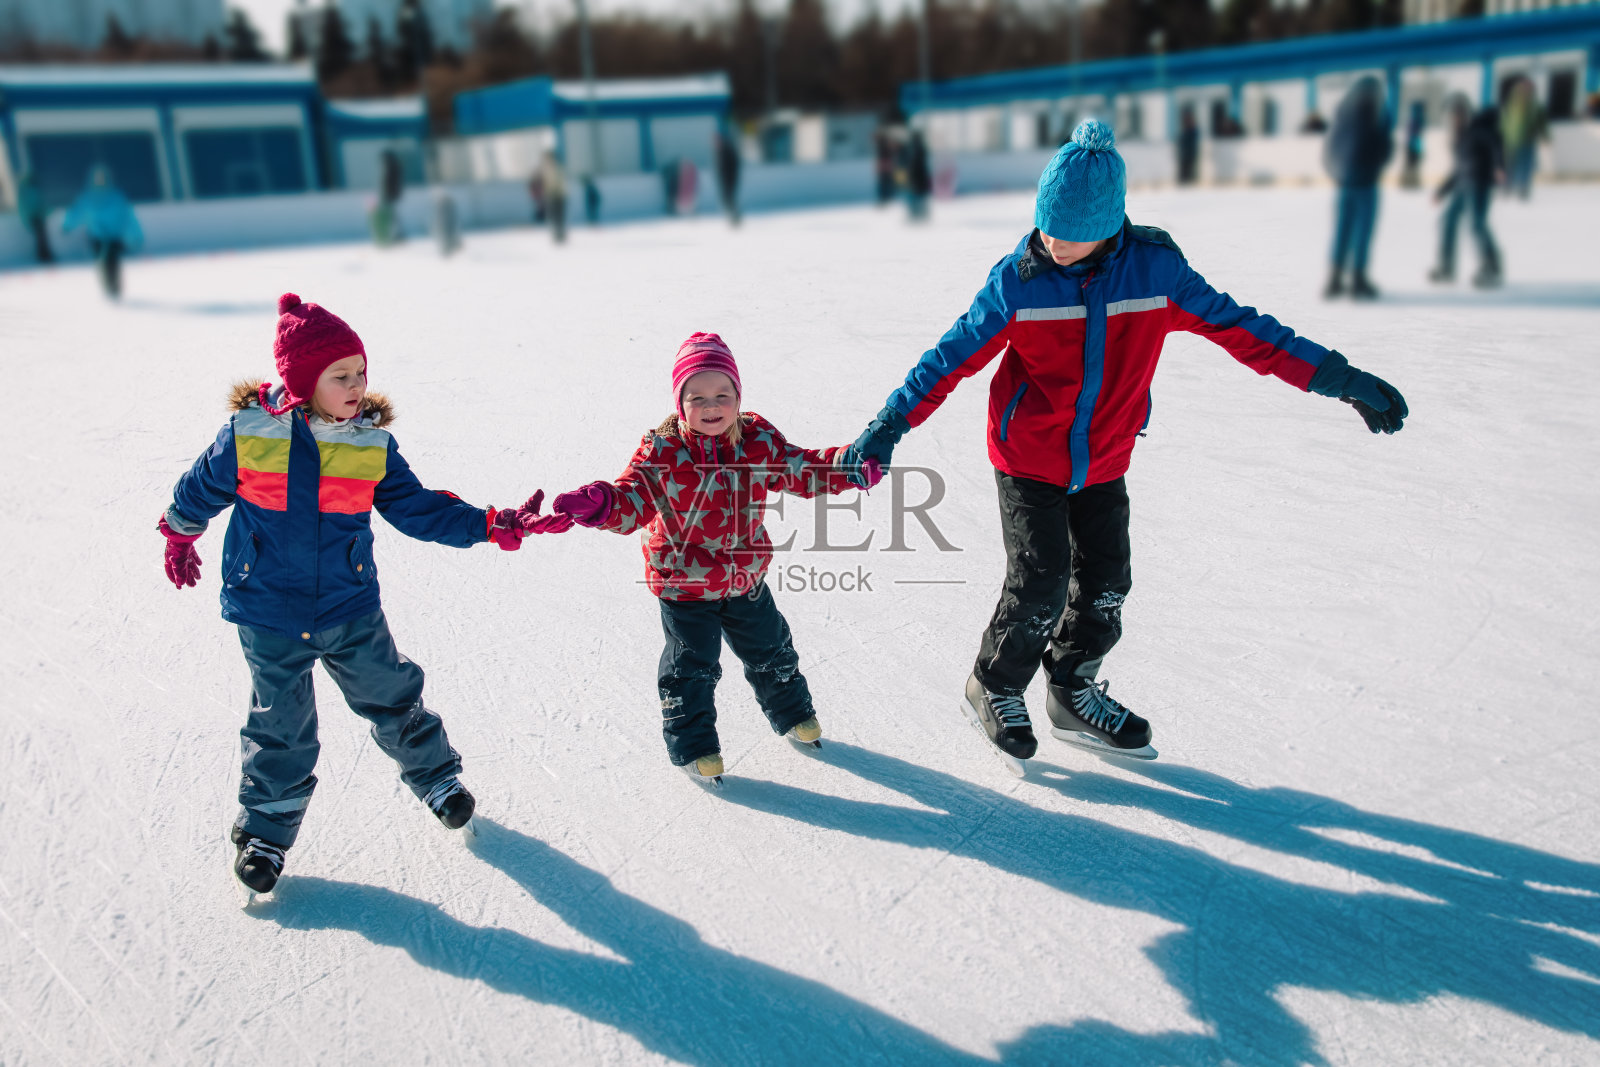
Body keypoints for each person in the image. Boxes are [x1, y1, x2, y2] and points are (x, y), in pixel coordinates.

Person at [835, 120, 1408, 768]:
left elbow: (1248, 331)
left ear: (1110, 227)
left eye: (1072, 234)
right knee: (1042, 582)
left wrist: (1340, 378)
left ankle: (1072, 689)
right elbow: (949, 360)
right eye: (1048, 226)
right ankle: (993, 685)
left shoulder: (1157, 271)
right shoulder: (1019, 281)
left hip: (1105, 455)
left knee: (1107, 582)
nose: (1055, 242)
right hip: (1029, 457)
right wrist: (889, 425)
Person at [157, 292, 567, 899]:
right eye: (340, 376)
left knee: (391, 694)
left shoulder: (368, 444)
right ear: (301, 381)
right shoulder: (250, 435)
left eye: (361, 373)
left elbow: (417, 508)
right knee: (281, 726)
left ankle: (436, 779)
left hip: (348, 605)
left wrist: (489, 523)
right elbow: (199, 487)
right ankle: (267, 831)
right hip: (268, 611)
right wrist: (179, 533)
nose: (357, 386)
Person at [548, 333, 881, 786]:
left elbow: (802, 469)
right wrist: (603, 504)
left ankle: (793, 715)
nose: (712, 405)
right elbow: (634, 499)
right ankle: (695, 747)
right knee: (692, 666)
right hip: (683, 584)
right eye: (698, 396)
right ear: (680, 403)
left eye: (723, 394)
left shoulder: (757, 439)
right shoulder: (662, 451)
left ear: (738, 397)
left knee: (772, 648)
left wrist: (848, 468)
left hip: (744, 578)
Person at [1322, 76, 1393, 300]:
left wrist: (1338, 175)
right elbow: (1384, 148)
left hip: (1345, 183)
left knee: (1342, 230)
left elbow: (1330, 150)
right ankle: (1357, 279)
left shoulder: (1343, 116)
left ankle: (1334, 279)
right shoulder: (1376, 116)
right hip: (1366, 183)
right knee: (1362, 230)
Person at [1430, 94, 1505, 289]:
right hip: (1462, 185)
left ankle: (1491, 267)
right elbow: (1458, 169)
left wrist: (1499, 166)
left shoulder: (1478, 130)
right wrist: (1442, 191)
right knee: (1447, 220)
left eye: (1459, 113)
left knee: (1476, 224)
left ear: (1466, 113)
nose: (1456, 118)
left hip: (1479, 183)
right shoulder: (1460, 136)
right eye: (1453, 115)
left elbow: (1495, 144)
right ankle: (1446, 267)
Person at [61, 165, 142, 299]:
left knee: (113, 262)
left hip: (114, 237)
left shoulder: (116, 196)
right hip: (97, 237)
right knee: (104, 262)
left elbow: (128, 217)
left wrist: (136, 235)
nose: (100, 181)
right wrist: (67, 225)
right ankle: (110, 290)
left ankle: (115, 289)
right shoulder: (88, 196)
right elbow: (76, 213)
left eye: (102, 178)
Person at [1500, 77, 1547, 201]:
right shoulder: (1511, 104)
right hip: (1511, 141)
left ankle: (1523, 189)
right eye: (1525, 88)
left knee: (1526, 166)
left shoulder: (1536, 106)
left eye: (1530, 89)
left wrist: (1545, 136)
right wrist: (1500, 136)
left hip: (1528, 140)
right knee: (1509, 166)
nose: (1527, 91)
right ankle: (1507, 188)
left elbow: (1542, 122)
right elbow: (1504, 122)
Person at [15, 169, 53, 264]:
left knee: (41, 235)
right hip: (34, 215)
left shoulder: (27, 188)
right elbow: (23, 205)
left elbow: (42, 201)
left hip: (37, 215)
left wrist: (47, 211)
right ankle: (44, 255)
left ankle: (44, 254)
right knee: (41, 235)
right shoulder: (26, 188)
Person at [539, 150, 568, 244]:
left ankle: (560, 235)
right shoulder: (547, 169)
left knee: (559, 217)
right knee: (554, 217)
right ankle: (557, 235)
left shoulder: (556, 168)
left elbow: (559, 183)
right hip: (552, 196)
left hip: (558, 196)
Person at [715, 130, 742, 226]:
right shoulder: (720, 151)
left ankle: (735, 218)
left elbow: (733, 165)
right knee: (727, 200)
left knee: (730, 199)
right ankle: (733, 218)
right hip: (725, 180)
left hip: (730, 180)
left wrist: (731, 177)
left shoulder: (727, 150)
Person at [904, 129, 932, 222]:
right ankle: (919, 215)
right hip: (919, 178)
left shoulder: (915, 149)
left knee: (918, 198)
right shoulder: (918, 148)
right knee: (919, 198)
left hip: (918, 178)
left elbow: (914, 165)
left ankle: (918, 216)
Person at [1400, 100, 1426, 190]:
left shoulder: (1415, 120)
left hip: (1412, 145)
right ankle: (1409, 182)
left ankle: (1409, 182)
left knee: (1411, 165)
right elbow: (1415, 135)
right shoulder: (1416, 120)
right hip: (1412, 145)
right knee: (1411, 165)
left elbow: (1415, 135)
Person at [1175, 107, 1201, 186]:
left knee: (1188, 171)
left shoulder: (1192, 130)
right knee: (1184, 172)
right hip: (1185, 154)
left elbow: (1189, 141)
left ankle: (1188, 184)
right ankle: (1184, 184)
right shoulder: (1186, 130)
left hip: (1189, 153)